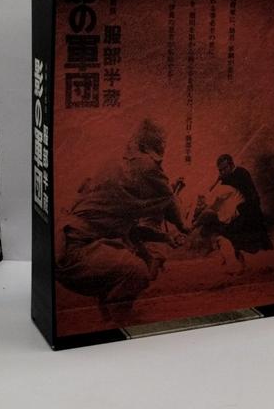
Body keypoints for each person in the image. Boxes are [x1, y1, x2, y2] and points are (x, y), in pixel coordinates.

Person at [56, 118, 186, 321]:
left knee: (127, 263)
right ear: (149, 143)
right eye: (161, 141)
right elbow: (170, 202)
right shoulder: (145, 165)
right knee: (137, 272)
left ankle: (110, 318)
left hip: (67, 245)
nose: (163, 147)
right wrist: (184, 226)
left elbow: (132, 230)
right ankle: (119, 323)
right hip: (74, 250)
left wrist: (166, 237)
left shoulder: (116, 166)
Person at [213, 154, 273, 263]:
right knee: (231, 236)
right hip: (236, 211)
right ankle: (241, 261)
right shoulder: (225, 178)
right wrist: (219, 179)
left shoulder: (241, 173)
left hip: (249, 209)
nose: (222, 172)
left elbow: (251, 194)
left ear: (231, 165)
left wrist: (246, 210)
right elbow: (218, 194)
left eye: (224, 168)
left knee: (256, 238)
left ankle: (266, 260)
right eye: (220, 170)